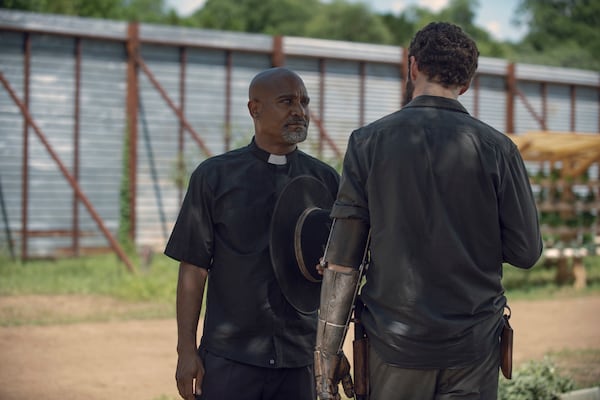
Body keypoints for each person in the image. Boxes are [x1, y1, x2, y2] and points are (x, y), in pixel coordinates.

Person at [314, 22, 543, 400]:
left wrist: (326, 355)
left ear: (412, 66)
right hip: (474, 348)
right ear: (466, 83)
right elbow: (527, 252)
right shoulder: (499, 149)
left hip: (393, 347)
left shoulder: (367, 142)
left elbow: (342, 259)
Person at [165, 67, 340, 400]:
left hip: (300, 360)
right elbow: (193, 268)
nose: (299, 112)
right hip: (231, 358)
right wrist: (186, 350)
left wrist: (334, 350)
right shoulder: (214, 177)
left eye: (304, 102)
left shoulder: (326, 181)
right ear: (254, 109)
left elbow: (338, 272)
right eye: (287, 101)